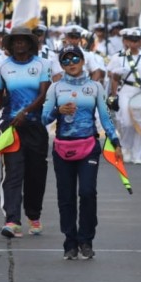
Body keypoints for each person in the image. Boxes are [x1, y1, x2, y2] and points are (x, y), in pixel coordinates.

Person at [42, 45, 121, 259]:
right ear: (61, 65)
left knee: (87, 192)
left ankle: (86, 240)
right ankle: (70, 242)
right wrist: (58, 111)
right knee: (65, 197)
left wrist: (115, 141)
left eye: (74, 58)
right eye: (65, 60)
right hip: (62, 148)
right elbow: (44, 118)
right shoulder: (55, 88)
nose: (71, 63)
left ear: (83, 60)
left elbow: (105, 118)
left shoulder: (95, 87)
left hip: (88, 148)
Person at [0, 27, 51, 239]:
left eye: (23, 41)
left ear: (30, 44)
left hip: (36, 127)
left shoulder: (42, 65)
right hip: (11, 129)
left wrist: (26, 112)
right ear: (9, 45)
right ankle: (12, 220)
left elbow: (44, 94)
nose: (19, 45)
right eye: (15, 41)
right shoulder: (2, 68)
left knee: (36, 175)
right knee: (12, 174)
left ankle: (34, 216)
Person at [107, 27, 141, 164]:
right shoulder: (119, 57)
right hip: (126, 90)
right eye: (130, 40)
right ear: (125, 41)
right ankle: (126, 147)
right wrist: (116, 76)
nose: (133, 43)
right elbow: (111, 76)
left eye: (136, 40)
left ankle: (139, 155)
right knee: (127, 123)